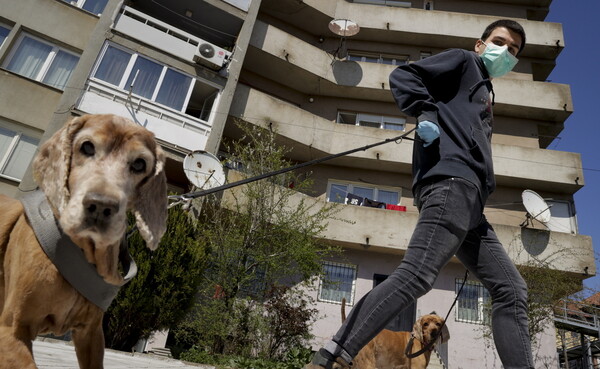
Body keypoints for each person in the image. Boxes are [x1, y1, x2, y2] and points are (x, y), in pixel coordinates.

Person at [305, 19, 533, 369]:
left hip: (473, 205)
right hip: (450, 185)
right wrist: (425, 112)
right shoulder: (463, 61)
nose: (505, 51)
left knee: (511, 290)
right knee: (416, 275)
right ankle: (333, 356)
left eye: (513, 49)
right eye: (499, 42)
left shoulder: (485, 91)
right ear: (480, 44)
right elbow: (404, 76)